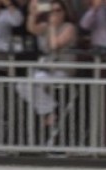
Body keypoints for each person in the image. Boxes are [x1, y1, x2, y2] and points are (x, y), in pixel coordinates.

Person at [14, 0, 77, 131]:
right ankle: (51, 110)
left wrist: (52, 27)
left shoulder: (69, 27)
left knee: (37, 83)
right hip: (46, 68)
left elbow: (54, 46)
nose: (55, 14)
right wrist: (33, 14)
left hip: (62, 70)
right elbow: (31, 28)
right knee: (23, 85)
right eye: (52, 11)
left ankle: (50, 112)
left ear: (65, 12)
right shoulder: (45, 26)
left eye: (58, 10)